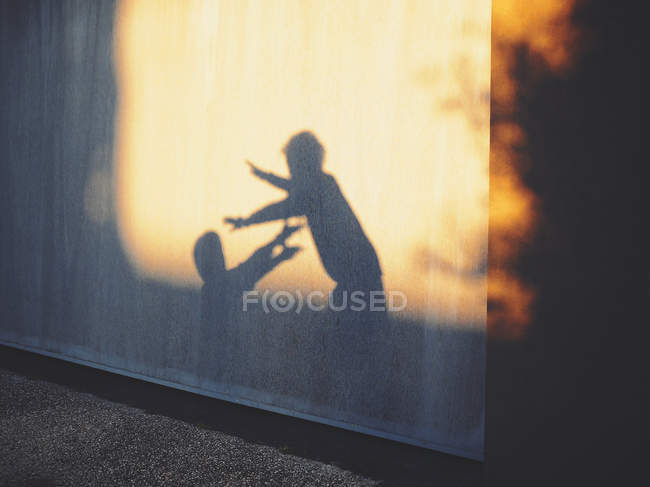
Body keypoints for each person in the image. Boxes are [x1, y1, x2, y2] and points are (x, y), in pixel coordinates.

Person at [224, 131, 383, 306]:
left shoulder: (319, 188)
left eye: (291, 165)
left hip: (358, 281)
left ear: (303, 162)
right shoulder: (323, 184)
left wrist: (247, 221)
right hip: (357, 278)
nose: (290, 171)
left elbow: (281, 207)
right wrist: (264, 177)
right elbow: (293, 188)